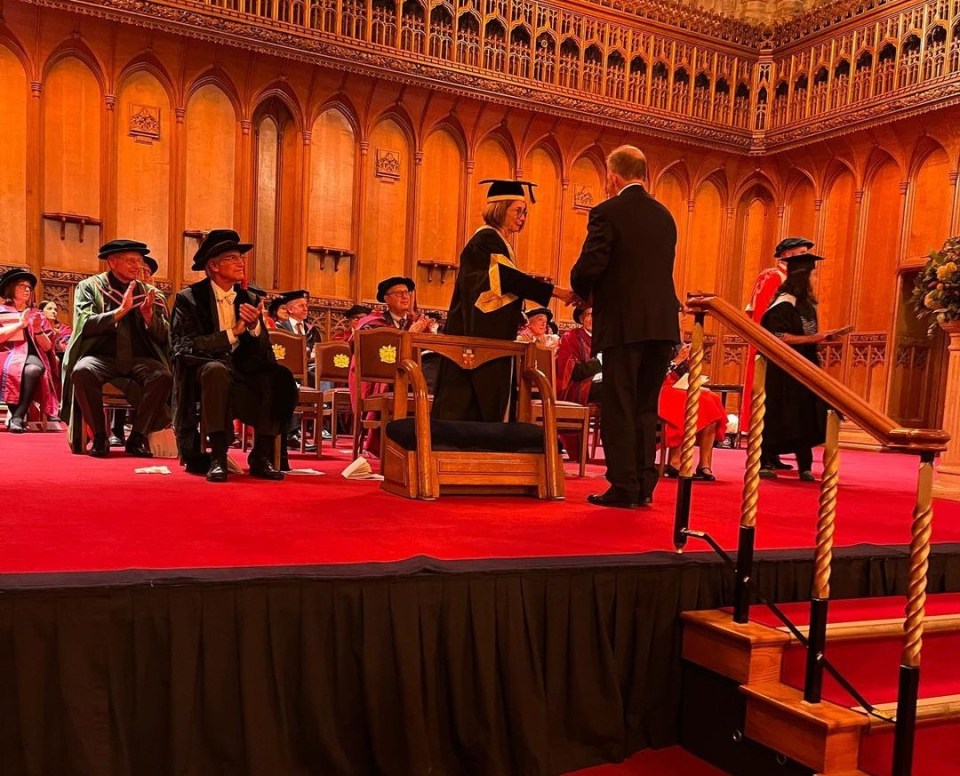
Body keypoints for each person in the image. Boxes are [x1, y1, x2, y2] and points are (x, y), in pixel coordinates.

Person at [570, 145, 680, 509]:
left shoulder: (607, 212)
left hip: (623, 324)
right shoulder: (665, 216)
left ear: (612, 176)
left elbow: (592, 264)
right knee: (647, 407)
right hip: (662, 324)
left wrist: (580, 291)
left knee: (620, 403)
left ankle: (623, 486)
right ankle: (644, 484)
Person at [432, 179, 575, 422]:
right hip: (478, 332)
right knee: (467, 403)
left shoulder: (500, 243)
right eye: (518, 211)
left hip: (491, 332)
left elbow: (508, 281)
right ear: (499, 208)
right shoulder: (485, 240)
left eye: (525, 212)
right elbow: (508, 278)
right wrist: (558, 292)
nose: (522, 218)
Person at [170, 229, 298, 482]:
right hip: (203, 370)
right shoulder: (190, 299)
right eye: (232, 258)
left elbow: (263, 350)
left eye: (240, 257)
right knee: (216, 371)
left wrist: (254, 328)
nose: (241, 263)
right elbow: (184, 345)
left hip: (242, 369)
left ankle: (261, 456)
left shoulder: (249, 297)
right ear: (214, 266)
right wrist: (233, 332)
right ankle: (218, 456)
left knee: (278, 376)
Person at [61, 240, 172, 457]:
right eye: (130, 260)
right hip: (101, 356)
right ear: (112, 262)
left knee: (163, 376)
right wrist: (119, 312)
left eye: (139, 261)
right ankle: (101, 436)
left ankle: (138, 436)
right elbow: (85, 324)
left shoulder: (150, 293)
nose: (136, 266)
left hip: (139, 358)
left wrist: (149, 317)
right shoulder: (90, 287)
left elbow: (165, 335)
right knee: (83, 371)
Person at [759, 254, 845, 481]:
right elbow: (776, 336)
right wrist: (813, 338)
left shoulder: (807, 306)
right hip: (782, 370)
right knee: (779, 413)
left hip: (805, 366)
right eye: (813, 275)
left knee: (805, 414)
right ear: (802, 277)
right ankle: (766, 459)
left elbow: (807, 334)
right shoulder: (783, 305)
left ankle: (805, 465)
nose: (816, 279)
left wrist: (821, 338)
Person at [742, 236, 814, 471]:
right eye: (801, 253)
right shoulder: (772, 276)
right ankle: (765, 454)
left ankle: (774, 453)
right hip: (771, 348)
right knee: (769, 401)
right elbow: (764, 315)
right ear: (788, 255)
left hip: (790, 350)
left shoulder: (798, 280)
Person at [349, 276, 431, 456]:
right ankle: (384, 446)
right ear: (386, 299)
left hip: (411, 379)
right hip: (378, 380)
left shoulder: (416, 322)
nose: (405, 297)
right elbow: (372, 355)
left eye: (407, 293)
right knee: (391, 385)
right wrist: (409, 335)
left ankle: (419, 448)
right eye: (399, 293)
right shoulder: (371, 324)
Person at [0, 269, 60, 432]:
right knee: (12, 370)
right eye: (22, 286)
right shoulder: (1, 312)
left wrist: (37, 329)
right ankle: (17, 417)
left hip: (33, 355)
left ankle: (17, 416)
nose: (27, 289)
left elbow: (47, 347)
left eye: (29, 287)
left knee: (34, 369)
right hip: (6, 354)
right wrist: (19, 325)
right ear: (10, 288)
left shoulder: (37, 314)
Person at [658, 344, 727, 481]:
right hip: (659, 389)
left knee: (711, 398)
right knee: (686, 400)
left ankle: (704, 464)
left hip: (676, 385)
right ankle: (675, 459)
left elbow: (683, 373)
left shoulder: (676, 344)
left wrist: (689, 362)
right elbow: (652, 376)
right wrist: (677, 360)